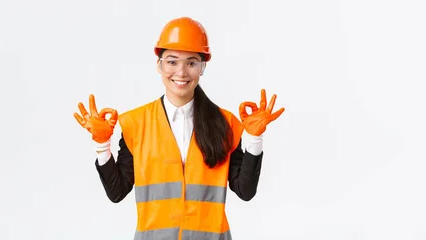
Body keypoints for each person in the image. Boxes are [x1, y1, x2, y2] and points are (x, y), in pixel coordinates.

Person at [73, 16, 285, 240]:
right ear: (159, 65)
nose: (181, 72)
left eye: (191, 63)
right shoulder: (136, 124)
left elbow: (245, 191)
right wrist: (101, 145)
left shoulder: (224, 123)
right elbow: (117, 192)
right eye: (172, 61)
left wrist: (254, 139)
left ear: (202, 68)